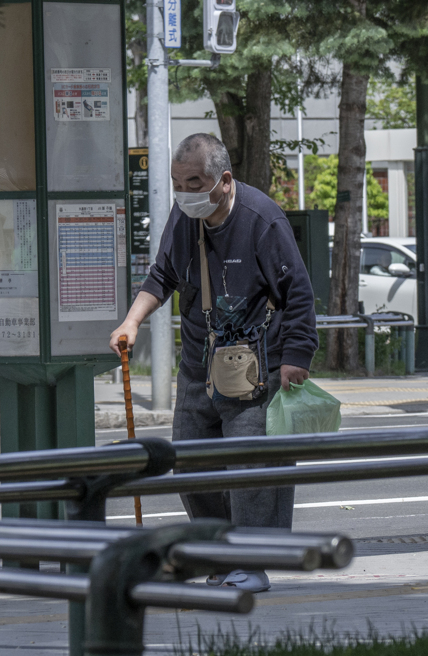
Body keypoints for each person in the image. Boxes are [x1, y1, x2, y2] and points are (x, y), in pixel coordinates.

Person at [110, 133, 318, 593]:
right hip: (198, 365)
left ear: (224, 180)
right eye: (177, 182)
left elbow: (298, 292)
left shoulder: (263, 219)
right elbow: (161, 275)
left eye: (194, 182)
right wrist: (132, 322)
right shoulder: (185, 216)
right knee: (189, 461)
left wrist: (296, 357)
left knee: (249, 469)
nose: (184, 192)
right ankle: (220, 554)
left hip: (256, 365)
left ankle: (253, 563)